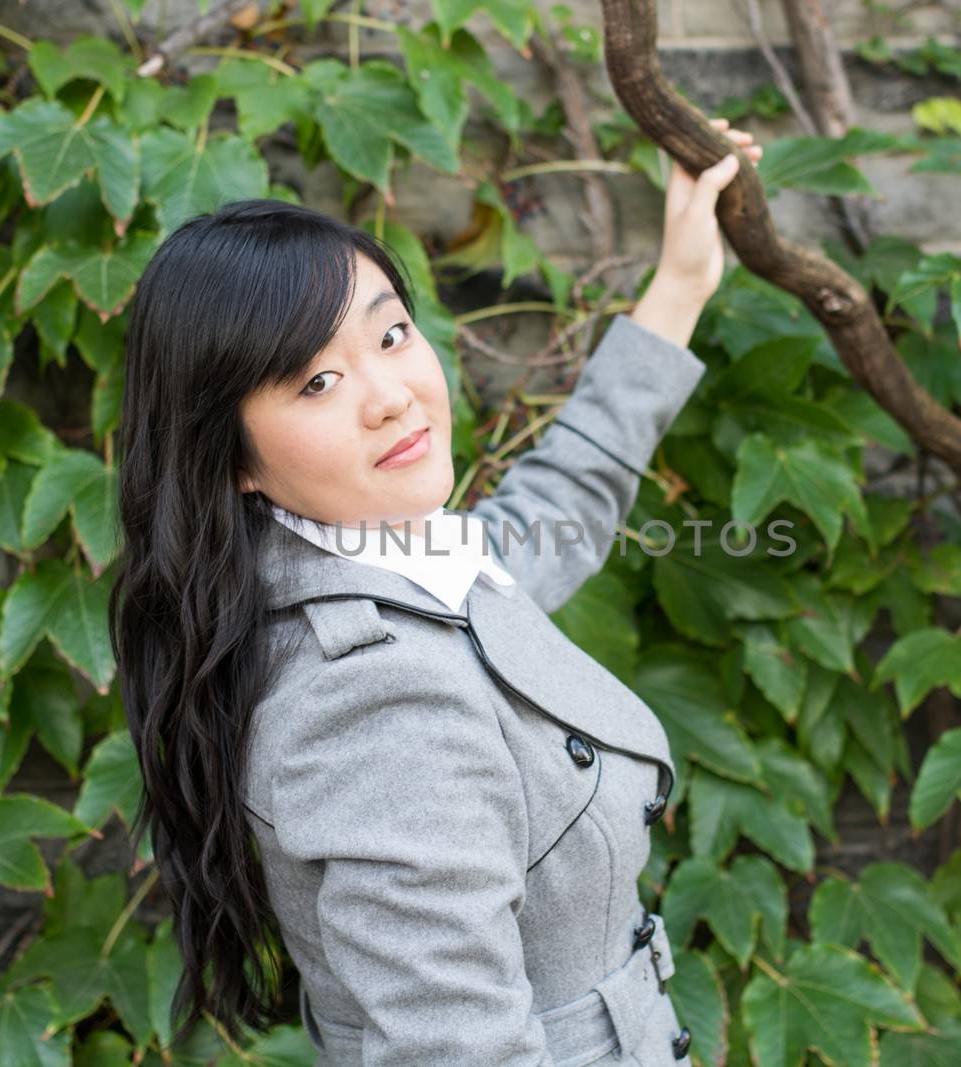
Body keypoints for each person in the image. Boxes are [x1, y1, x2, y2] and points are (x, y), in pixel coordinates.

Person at [112, 119, 762, 1065]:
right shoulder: (375, 699)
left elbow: (558, 501)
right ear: (233, 458)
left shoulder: (389, 562)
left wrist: (683, 281)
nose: (391, 394)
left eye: (392, 332)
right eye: (318, 380)